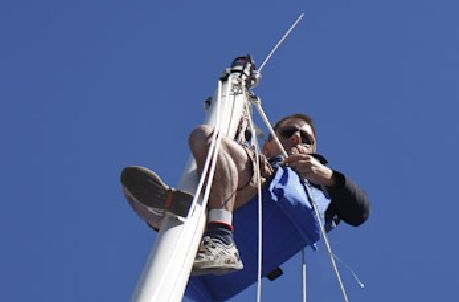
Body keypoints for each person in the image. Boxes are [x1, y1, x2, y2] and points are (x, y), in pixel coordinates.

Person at [121, 114, 369, 275]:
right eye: (288, 132)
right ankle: (171, 215)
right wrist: (237, 140)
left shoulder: (321, 182)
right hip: (241, 198)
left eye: (306, 138)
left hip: (274, 199)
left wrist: (329, 177)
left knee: (205, 137)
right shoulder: (260, 157)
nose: (296, 137)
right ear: (268, 144)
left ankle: (208, 231)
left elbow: (360, 213)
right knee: (207, 152)